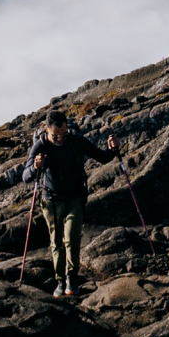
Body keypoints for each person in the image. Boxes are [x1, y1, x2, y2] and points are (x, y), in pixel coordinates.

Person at [22, 111, 117, 297]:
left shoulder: (76, 140)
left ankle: (71, 279)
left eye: (63, 134)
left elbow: (102, 157)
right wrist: (35, 167)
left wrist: (113, 149)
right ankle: (60, 281)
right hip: (51, 200)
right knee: (57, 243)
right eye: (55, 136)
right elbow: (25, 176)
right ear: (47, 130)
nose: (60, 139)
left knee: (72, 237)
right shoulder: (40, 145)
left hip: (75, 197)